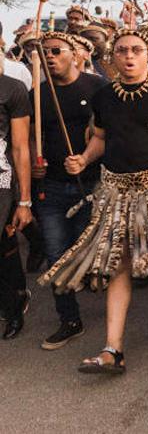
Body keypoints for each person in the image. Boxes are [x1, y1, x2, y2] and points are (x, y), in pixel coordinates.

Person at [39, 26, 148, 373]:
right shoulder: (103, 97)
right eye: (122, 50)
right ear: (112, 57)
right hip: (115, 192)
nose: (129, 56)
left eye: (136, 50)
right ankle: (113, 349)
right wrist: (84, 158)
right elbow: (100, 137)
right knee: (120, 263)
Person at [31, 32, 107, 350]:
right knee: (56, 254)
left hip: (91, 183)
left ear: (74, 54)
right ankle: (69, 319)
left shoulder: (97, 88)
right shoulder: (37, 94)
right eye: (44, 52)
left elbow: (106, 133)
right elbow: (31, 137)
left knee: (88, 249)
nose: (49, 56)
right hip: (51, 187)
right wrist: (36, 163)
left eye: (56, 51)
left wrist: (86, 157)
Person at [0, 60, 35, 339]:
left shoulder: (12, 89)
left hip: (1, 181)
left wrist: (24, 201)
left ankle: (13, 309)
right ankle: (15, 297)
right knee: (5, 244)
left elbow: (21, 147)